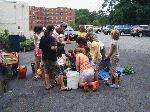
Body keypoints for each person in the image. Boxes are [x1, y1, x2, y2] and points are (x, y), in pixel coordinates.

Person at [39, 25, 59, 90]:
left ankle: (48, 85)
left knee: (46, 71)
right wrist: (57, 47)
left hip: (45, 57)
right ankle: (58, 83)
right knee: (57, 70)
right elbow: (53, 48)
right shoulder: (52, 38)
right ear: (52, 30)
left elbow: (41, 48)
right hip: (52, 57)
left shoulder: (42, 38)